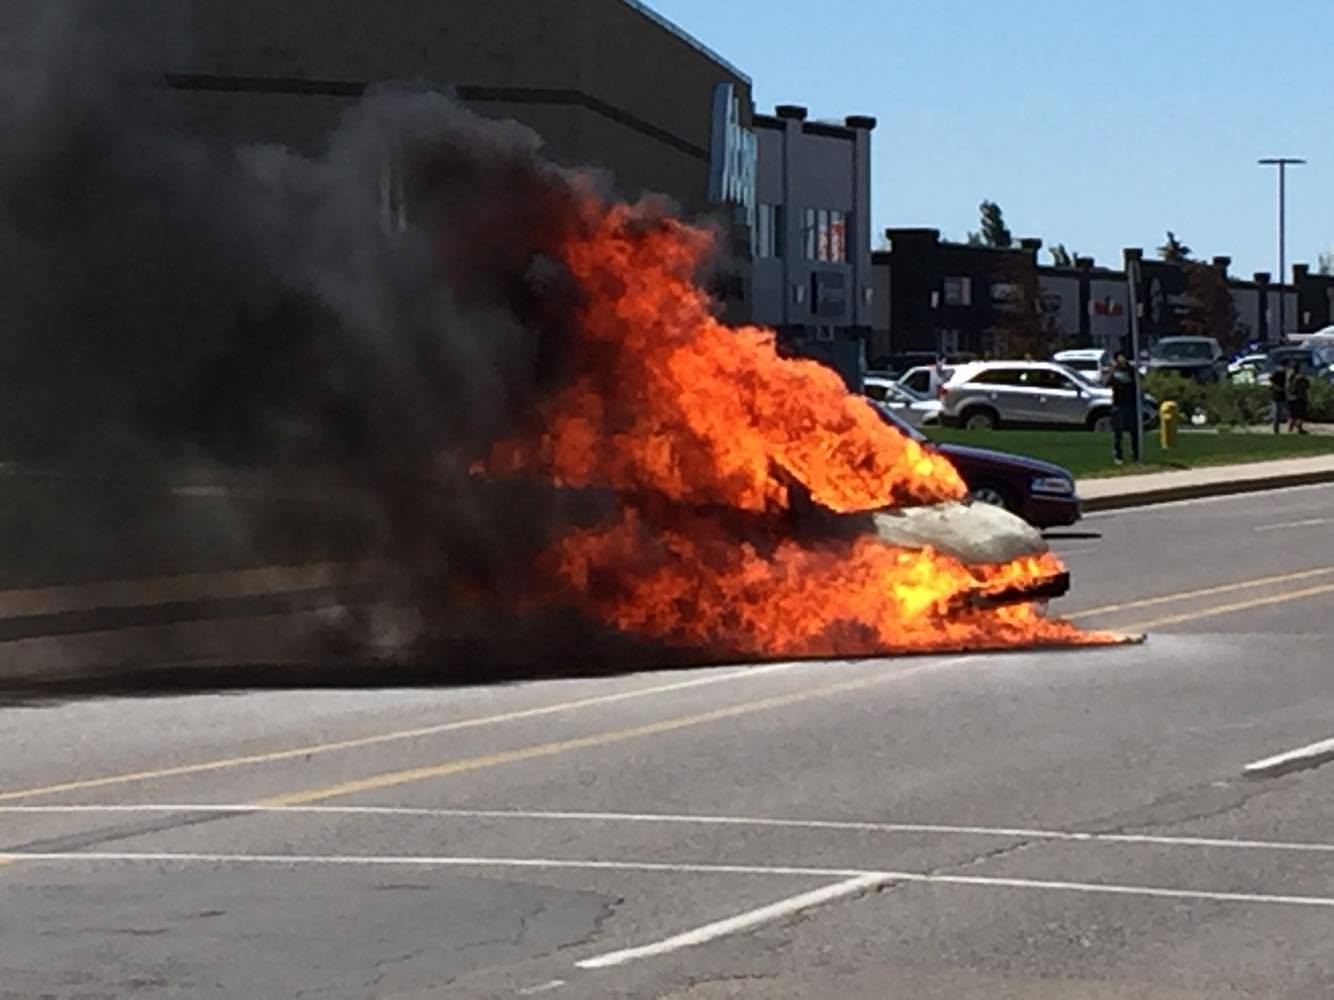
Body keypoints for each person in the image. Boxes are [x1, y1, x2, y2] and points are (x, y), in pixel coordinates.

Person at [1106, 351, 1140, 464]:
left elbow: (1138, 381)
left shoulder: (1131, 370)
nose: (1121, 360)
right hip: (1118, 404)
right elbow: (1107, 383)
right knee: (1118, 432)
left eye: (1123, 357)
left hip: (1130, 404)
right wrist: (1113, 370)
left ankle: (1135, 454)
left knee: (1134, 431)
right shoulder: (1114, 372)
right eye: (1119, 358)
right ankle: (1118, 455)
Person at [1289, 365, 1310, 434]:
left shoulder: (1291, 377)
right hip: (1300, 397)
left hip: (1292, 397)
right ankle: (1299, 428)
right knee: (1300, 414)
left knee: (1293, 414)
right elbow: (1307, 386)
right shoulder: (1302, 378)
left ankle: (1291, 428)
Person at [1270, 360, 1289, 434]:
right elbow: (1271, 380)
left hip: (1282, 395)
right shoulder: (1278, 373)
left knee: (1282, 413)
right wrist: (1276, 387)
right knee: (1277, 413)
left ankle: (1278, 428)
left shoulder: (1284, 373)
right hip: (1277, 395)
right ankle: (1276, 429)